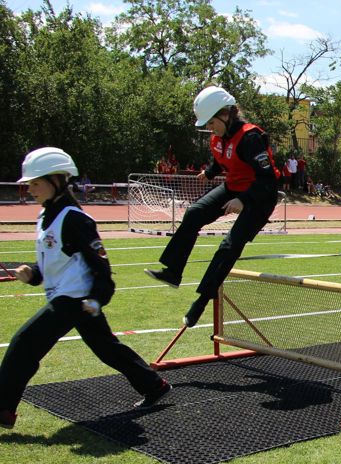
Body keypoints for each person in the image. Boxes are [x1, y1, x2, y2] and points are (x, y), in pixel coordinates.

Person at [0, 148, 171, 429]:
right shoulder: (45, 216)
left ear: (57, 180)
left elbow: (101, 265)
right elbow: (55, 260)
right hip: (72, 299)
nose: (30, 189)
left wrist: (97, 299)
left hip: (73, 299)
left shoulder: (75, 218)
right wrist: (33, 273)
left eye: (35, 183)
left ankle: (3, 410)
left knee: (23, 345)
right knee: (107, 348)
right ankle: (155, 385)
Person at [144, 86, 281, 327]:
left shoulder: (250, 138)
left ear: (226, 114)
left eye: (211, 122)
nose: (209, 128)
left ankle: (201, 302)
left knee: (229, 246)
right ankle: (173, 271)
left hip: (260, 195)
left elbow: (269, 179)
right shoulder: (218, 137)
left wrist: (244, 200)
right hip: (233, 187)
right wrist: (209, 172)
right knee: (194, 212)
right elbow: (222, 159)